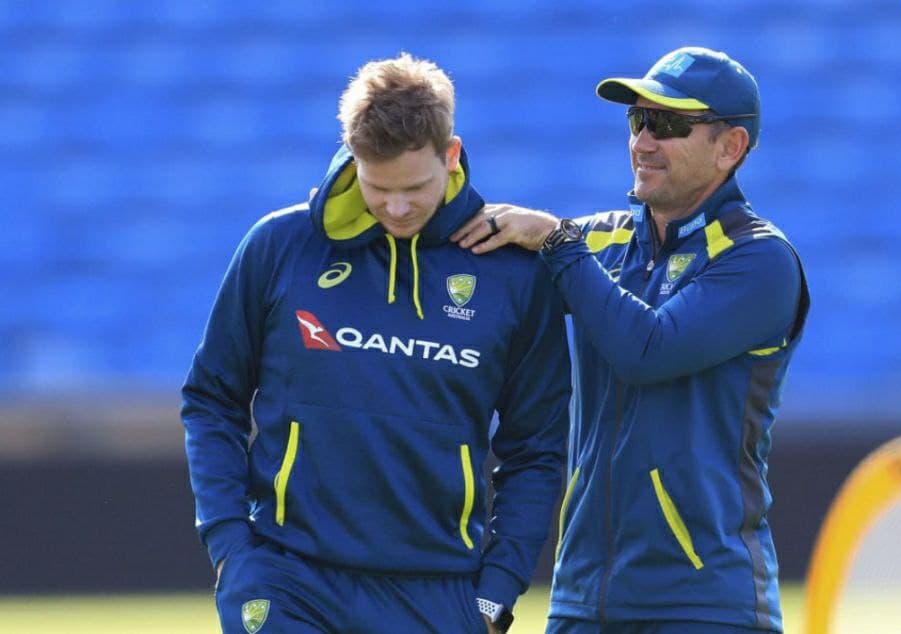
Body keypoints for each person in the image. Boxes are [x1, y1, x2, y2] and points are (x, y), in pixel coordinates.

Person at [181, 53, 571, 634]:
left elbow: (535, 449)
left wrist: (497, 592)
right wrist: (230, 549)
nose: (396, 207)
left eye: (415, 188)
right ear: (352, 158)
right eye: (378, 187)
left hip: (438, 592)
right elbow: (211, 400)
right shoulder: (279, 246)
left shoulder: (512, 274)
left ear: (451, 155)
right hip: (288, 581)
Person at [452, 46, 810, 633]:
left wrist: (557, 240)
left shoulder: (760, 259)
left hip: (704, 605)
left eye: (667, 124)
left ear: (730, 147)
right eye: (637, 120)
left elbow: (648, 349)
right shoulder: (598, 241)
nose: (643, 141)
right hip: (580, 599)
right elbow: (475, 273)